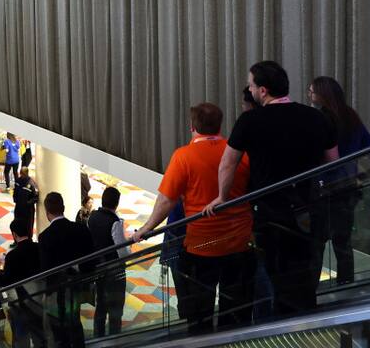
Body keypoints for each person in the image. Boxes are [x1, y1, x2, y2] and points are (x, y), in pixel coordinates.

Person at [206, 61, 338, 317]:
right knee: (304, 272)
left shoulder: (250, 120)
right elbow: (333, 161)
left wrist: (222, 197)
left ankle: (280, 328)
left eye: (251, 85)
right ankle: (306, 323)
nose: (250, 89)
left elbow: (228, 163)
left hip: (270, 213)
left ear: (263, 91)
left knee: (275, 274)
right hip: (309, 208)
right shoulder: (316, 117)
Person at [132, 102, 254, 334]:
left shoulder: (183, 156)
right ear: (219, 125)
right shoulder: (239, 152)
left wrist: (145, 229)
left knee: (200, 313)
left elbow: (167, 201)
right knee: (236, 310)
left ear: (192, 126)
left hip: (202, 246)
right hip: (240, 242)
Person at [308, 76, 370, 285]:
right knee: (343, 242)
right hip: (348, 187)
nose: (309, 95)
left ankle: (312, 287)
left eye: (312, 91)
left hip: (323, 188)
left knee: (316, 242)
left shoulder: (319, 119)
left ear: (322, 94)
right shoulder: (351, 116)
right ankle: (347, 284)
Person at [37, 192, 96, 347]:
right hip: (77, 285)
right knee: (74, 322)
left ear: (47, 212)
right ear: (63, 208)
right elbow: (91, 259)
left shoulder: (45, 237)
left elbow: (45, 270)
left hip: (56, 291)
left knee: (58, 327)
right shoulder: (81, 229)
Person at [84, 186, 129, 337]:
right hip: (114, 270)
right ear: (116, 204)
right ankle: (115, 340)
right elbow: (121, 250)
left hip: (98, 267)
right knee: (115, 309)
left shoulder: (92, 217)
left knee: (101, 306)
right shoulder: (115, 222)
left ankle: (98, 338)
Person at [13, 168, 40, 234]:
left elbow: (36, 197)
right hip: (18, 207)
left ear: (27, 174)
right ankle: (16, 241)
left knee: (28, 226)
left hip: (28, 210)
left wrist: (28, 203)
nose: (21, 175)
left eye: (23, 174)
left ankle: (29, 240)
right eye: (21, 174)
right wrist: (15, 199)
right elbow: (15, 191)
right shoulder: (18, 181)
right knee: (17, 224)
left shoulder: (32, 184)